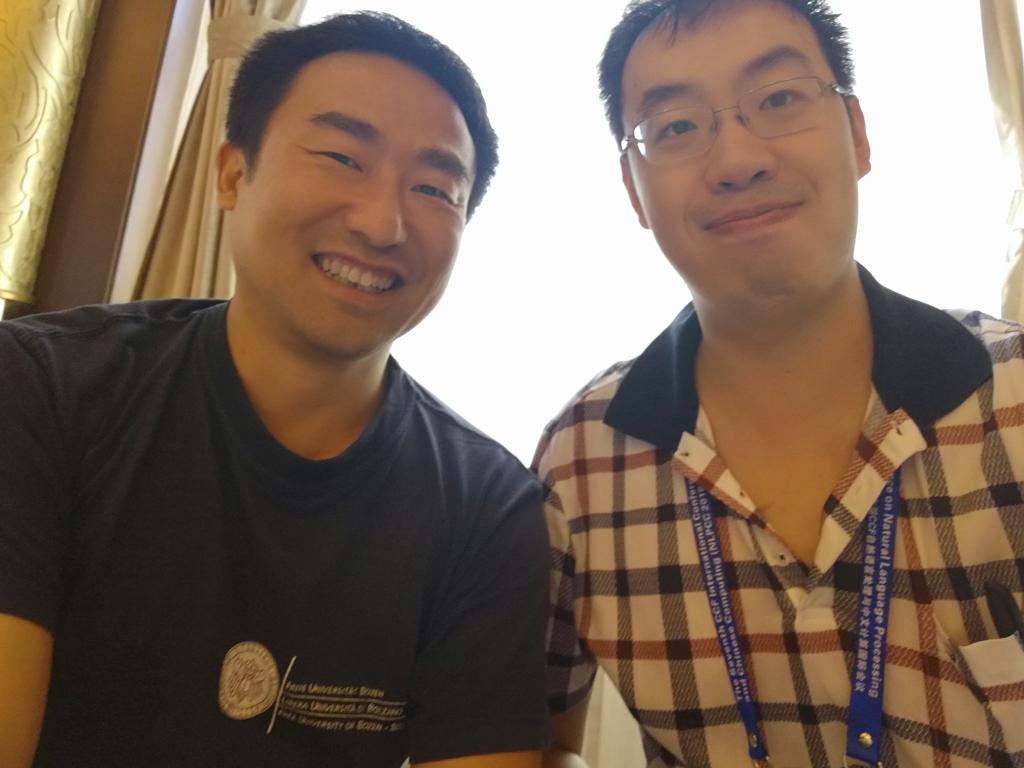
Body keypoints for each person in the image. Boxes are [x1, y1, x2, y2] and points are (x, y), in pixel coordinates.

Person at [0, 12, 549, 768]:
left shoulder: (488, 506)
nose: (382, 224)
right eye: (342, 157)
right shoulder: (44, 389)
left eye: (433, 187)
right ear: (233, 174)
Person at [537, 1, 1024, 766]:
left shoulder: (1013, 402)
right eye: (676, 126)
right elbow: (541, 743)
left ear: (857, 133)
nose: (737, 160)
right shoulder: (581, 466)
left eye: (779, 98)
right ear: (633, 190)